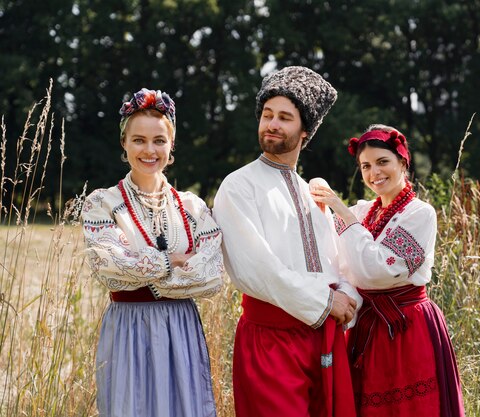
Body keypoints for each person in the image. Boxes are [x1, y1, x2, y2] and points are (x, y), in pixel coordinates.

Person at [213, 66, 360, 417]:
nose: (272, 124)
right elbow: (256, 270)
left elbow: (335, 264)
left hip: (322, 337)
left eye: (284, 117)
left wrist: (347, 299)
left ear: (305, 131)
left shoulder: (311, 193)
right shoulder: (238, 186)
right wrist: (326, 301)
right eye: (267, 115)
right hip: (270, 340)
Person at [81, 88, 225, 417]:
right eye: (139, 140)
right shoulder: (101, 203)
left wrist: (144, 271)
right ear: (124, 143)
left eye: (159, 140)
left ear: (171, 145)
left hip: (181, 328)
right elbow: (108, 267)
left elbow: (210, 277)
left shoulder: (192, 207)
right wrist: (170, 262)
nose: (150, 150)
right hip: (128, 328)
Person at [310, 125, 465, 417]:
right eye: (365, 166)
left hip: (407, 325)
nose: (374, 173)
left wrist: (340, 211)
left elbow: (377, 270)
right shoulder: (361, 212)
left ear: (402, 163)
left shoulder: (419, 213)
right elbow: (337, 262)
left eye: (383, 162)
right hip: (368, 325)